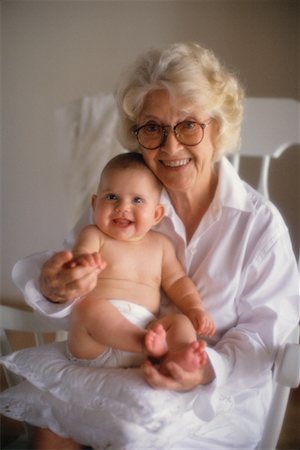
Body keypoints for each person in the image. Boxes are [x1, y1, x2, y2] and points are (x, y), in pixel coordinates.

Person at [9, 42, 300, 449]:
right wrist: (57, 286)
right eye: (153, 128)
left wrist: (202, 369)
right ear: (136, 135)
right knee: (51, 423)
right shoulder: (125, 200)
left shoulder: (259, 227)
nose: (170, 146)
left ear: (217, 129)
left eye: (188, 125)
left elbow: (265, 338)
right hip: (114, 372)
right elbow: (78, 273)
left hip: (211, 401)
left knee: (135, 437)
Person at [66, 151, 215, 374]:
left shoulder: (161, 245)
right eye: (112, 197)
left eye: (137, 200)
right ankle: (150, 346)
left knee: (180, 322)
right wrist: (84, 262)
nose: (122, 207)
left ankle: (181, 355)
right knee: (88, 308)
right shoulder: (95, 235)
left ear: (157, 214)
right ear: (95, 204)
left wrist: (195, 308)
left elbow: (177, 281)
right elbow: (81, 255)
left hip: (148, 330)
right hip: (97, 342)